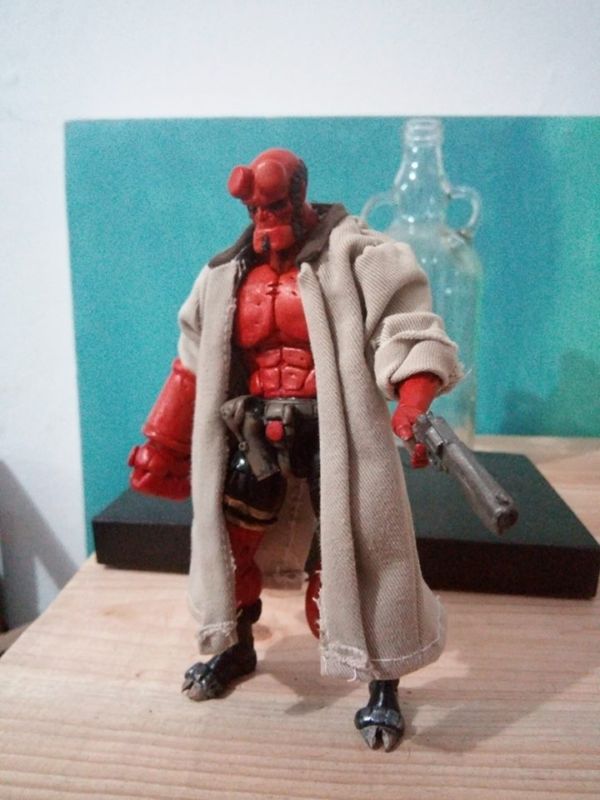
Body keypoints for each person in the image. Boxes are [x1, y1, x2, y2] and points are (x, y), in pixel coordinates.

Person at [129, 148, 462, 751]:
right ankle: (237, 648)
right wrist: (163, 444)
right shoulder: (224, 275)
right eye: (257, 210)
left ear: (300, 196)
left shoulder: (360, 256)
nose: (266, 219)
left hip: (335, 435)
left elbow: (408, 329)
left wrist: (413, 400)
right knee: (229, 546)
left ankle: (382, 684)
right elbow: (193, 361)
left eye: (276, 206)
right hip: (256, 431)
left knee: (359, 553)